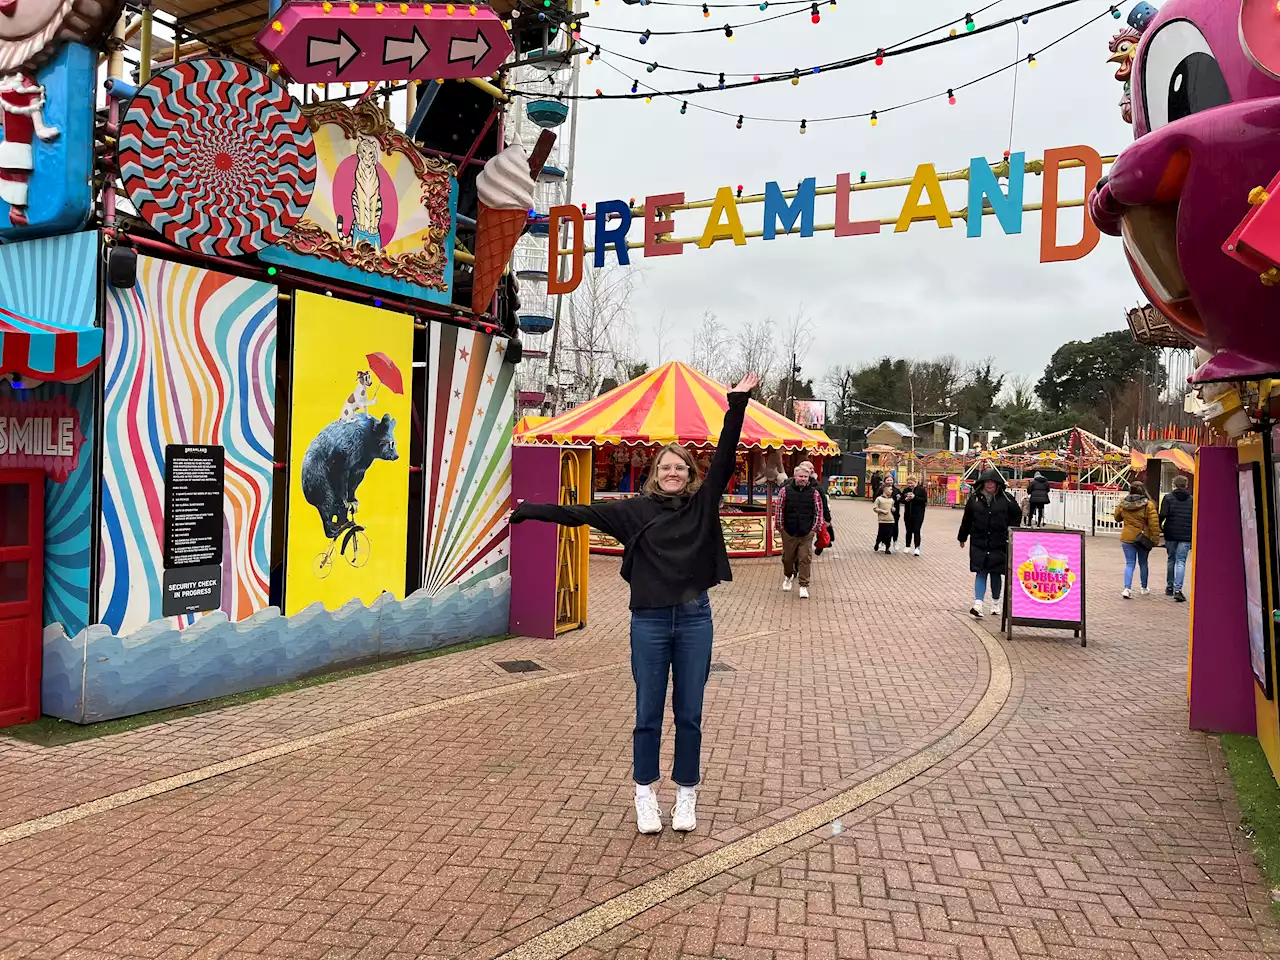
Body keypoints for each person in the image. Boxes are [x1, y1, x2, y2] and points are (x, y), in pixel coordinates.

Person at [510, 372, 760, 835]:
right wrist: (529, 509)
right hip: (647, 622)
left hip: (693, 620)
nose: (672, 472)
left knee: (689, 713)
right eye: (665, 466)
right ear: (653, 473)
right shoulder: (632, 511)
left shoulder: (701, 506)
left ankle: (686, 796)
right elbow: (579, 513)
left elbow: (725, 456)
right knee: (648, 711)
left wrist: (737, 403)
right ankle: (645, 793)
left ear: (689, 475)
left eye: (680, 467)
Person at [958, 468, 1023, 618]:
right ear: (982, 484)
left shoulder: (1007, 499)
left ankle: (995, 602)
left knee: (995, 573)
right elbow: (967, 519)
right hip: (979, 541)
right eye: (987, 482)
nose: (990, 485)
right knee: (980, 571)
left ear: (998, 484)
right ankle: (978, 603)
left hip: (999, 542)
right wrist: (962, 536)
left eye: (992, 482)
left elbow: (1016, 516)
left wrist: (1012, 533)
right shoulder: (974, 499)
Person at [776, 459, 826, 599]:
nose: (803, 479)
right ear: (795, 476)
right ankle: (788, 575)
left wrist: (814, 529)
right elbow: (779, 509)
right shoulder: (785, 490)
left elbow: (818, 511)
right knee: (788, 558)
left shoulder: (814, 493)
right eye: (801, 476)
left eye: (806, 477)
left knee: (805, 558)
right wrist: (780, 527)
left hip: (806, 531)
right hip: (789, 530)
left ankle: (804, 585)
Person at [1114, 480, 1163, 598]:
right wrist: (1155, 540)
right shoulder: (1148, 505)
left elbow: (1117, 517)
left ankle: (1127, 588)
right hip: (1143, 538)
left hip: (1127, 537)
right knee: (1143, 563)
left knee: (1129, 563)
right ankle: (1144, 587)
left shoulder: (1123, 503)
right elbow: (1153, 525)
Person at [1159, 475, 1194, 602]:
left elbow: (1162, 515)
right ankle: (1178, 589)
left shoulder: (1168, 498)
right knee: (1181, 561)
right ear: (1186, 485)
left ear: (1174, 484)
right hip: (1186, 534)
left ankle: (1169, 586)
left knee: (1171, 560)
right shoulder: (1192, 499)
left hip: (1171, 533)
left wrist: (1161, 529)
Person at [901, 475, 928, 556]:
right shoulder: (905, 490)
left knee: (916, 530)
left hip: (918, 514)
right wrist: (906, 499)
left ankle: (917, 547)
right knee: (908, 530)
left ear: (915, 482)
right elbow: (902, 500)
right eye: (908, 483)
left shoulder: (921, 490)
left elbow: (924, 500)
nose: (910, 485)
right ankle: (907, 546)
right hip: (908, 514)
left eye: (911, 483)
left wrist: (914, 497)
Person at [812, 472, 834, 558]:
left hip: (818, 516)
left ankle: (821, 544)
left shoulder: (817, 486)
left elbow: (824, 504)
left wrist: (827, 518)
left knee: (822, 532)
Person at [873, 485, 897, 553]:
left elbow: (893, 508)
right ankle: (877, 543)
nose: (891, 491)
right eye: (890, 490)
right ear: (885, 490)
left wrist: (893, 509)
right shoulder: (879, 499)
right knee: (881, 533)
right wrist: (882, 511)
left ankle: (887, 548)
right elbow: (875, 508)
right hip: (882, 520)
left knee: (889, 535)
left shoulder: (891, 500)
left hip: (891, 520)